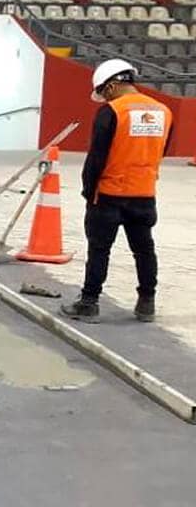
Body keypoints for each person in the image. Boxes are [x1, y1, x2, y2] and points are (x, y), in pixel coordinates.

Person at [61, 59, 172, 323]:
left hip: (109, 195)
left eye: (103, 92)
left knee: (99, 250)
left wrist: (89, 191)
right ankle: (146, 304)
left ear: (111, 86)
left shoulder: (112, 111)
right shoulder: (164, 112)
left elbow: (96, 158)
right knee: (144, 249)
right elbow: (162, 151)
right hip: (144, 195)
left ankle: (89, 303)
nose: (104, 98)